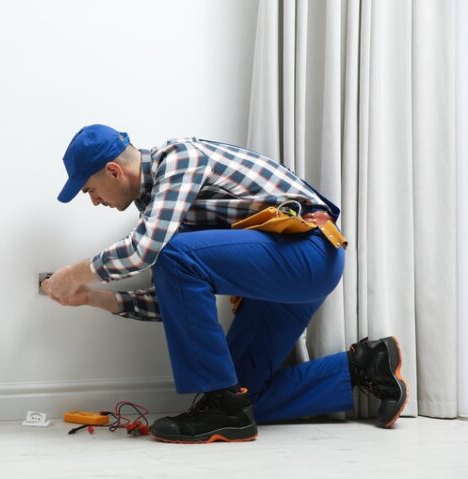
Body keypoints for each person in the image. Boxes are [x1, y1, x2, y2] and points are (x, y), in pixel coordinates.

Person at [40, 124, 409, 444]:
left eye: (90, 190)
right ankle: (364, 366)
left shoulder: (180, 158)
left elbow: (146, 251)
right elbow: (172, 301)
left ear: (113, 171)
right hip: (280, 274)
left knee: (172, 257)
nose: (94, 201)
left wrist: (77, 272)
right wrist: (93, 297)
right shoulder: (159, 209)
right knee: (244, 397)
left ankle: (221, 408)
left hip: (309, 251)